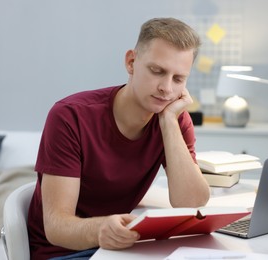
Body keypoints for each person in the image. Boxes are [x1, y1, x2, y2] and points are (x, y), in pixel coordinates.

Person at [27, 17, 210, 260]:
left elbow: (192, 202)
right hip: (63, 253)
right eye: (157, 71)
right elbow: (57, 227)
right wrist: (101, 228)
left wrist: (168, 121)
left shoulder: (173, 119)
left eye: (178, 79)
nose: (167, 88)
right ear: (131, 62)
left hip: (123, 251)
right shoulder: (70, 116)